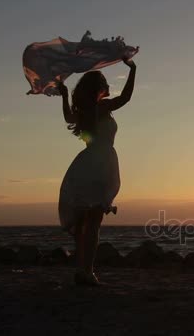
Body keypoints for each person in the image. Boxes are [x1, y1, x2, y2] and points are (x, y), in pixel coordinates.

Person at [57, 57, 136, 286]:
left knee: (84, 222)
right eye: (105, 82)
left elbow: (67, 118)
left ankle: (82, 270)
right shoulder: (102, 107)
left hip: (85, 163)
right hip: (100, 165)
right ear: (98, 88)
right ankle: (87, 272)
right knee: (93, 222)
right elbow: (126, 97)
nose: (108, 87)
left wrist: (64, 97)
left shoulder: (84, 111)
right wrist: (132, 70)